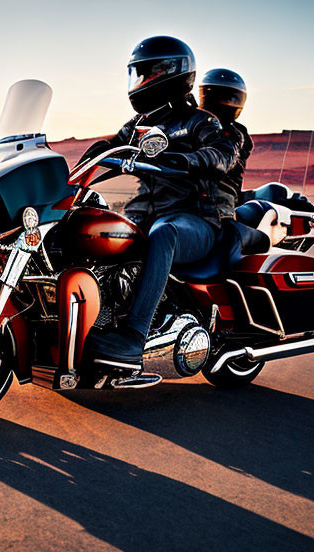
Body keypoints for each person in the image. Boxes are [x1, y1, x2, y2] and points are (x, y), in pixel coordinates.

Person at [81, 36, 239, 369]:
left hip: (194, 219)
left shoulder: (201, 122)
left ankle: (134, 337)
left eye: (146, 74)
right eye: (137, 75)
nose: (139, 82)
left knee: (163, 234)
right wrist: (80, 165)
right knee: (94, 228)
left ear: (170, 73)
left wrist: (189, 160)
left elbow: (223, 154)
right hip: (145, 214)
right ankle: (94, 321)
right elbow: (110, 145)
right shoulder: (139, 125)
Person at [198, 68, 251, 218]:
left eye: (232, 99)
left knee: (221, 227)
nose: (227, 104)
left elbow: (223, 158)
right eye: (220, 98)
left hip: (219, 195)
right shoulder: (191, 123)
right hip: (179, 189)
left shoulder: (237, 134)